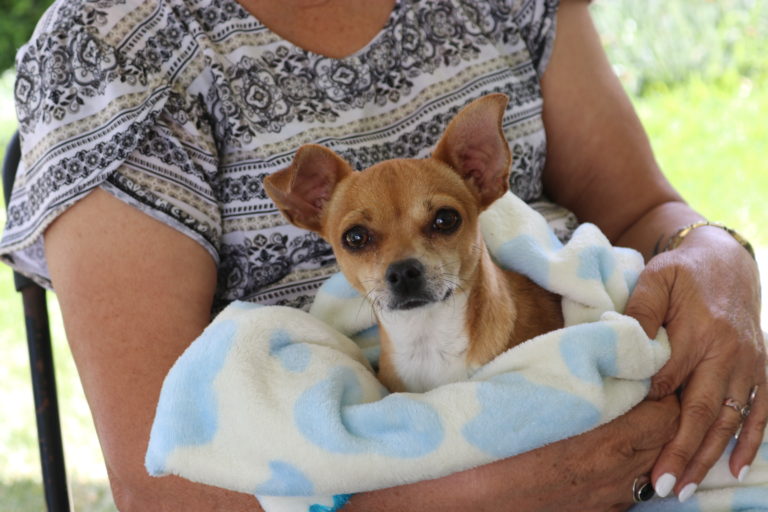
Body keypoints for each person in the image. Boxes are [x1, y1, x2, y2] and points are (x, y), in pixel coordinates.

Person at [1, 0, 764, 510]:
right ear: (308, 209)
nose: (402, 260)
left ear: (481, 175)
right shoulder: (110, 47)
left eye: (437, 223)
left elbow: (638, 212)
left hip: (615, 384)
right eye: (361, 240)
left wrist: (713, 255)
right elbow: (165, 477)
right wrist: (499, 492)